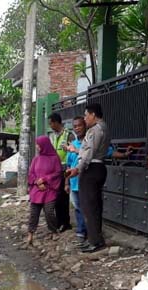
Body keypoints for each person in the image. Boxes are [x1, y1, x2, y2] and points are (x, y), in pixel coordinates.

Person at [67, 104, 109, 254]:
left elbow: (88, 152)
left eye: (86, 115)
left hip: (91, 169)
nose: (85, 119)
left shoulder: (95, 130)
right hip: (97, 168)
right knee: (94, 206)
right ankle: (95, 239)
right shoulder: (104, 128)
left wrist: (78, 168)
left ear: (93, 114)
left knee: (89, 207)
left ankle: (95, 241)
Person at [26, 136, 63, 246]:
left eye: (38, 144)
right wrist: (37, 181)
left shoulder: (55, 158)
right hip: (37, 190)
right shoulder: (36, 159)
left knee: (49, 212)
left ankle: (53, 231)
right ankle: (30, 233)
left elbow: (58, 173)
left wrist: (45, 179)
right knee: (34, 213)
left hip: (49, 190)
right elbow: (31, 173)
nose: (37, 147)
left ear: (44, 145)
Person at [48, 113, 72, 232]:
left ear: (56, 122)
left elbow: (71, 152)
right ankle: (59, 221)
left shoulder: (68, 135)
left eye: (50, 122)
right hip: (54, 170)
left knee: (63, 197)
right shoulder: (52, 136)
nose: (50, 125)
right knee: (56, 197)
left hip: (64, 169)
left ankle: (65, 222)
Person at [65, 116, 87, 247]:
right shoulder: (72, 145)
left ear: (85, 126)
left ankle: (89, 233)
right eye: (75, 126)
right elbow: (68, 165)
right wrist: (66, 183)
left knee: (87, 209)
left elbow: (93, 155)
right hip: (74, 183)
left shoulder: (89, 142)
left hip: (86, 181)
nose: (77, 128)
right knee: (78, 209)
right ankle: (80, 232)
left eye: (79, 125)